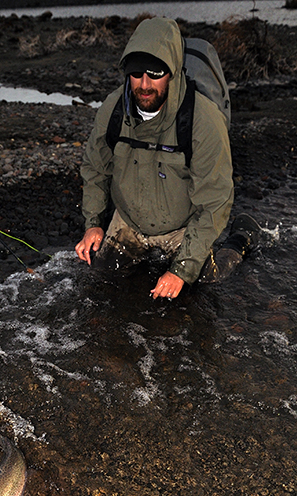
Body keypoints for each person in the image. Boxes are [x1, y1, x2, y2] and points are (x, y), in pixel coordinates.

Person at [75, 16, 260, 299]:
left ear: (173, 71)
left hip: (182, 225)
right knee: (101, 277)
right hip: (129, 221)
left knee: (209, 279)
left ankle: (241, 238)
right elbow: (95, 168)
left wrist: (181, 270)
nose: (145, 84)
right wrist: (93, 224)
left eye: (155, 72)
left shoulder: (203, 120)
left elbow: (215, 200)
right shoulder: (113, 109)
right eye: (137, 72)